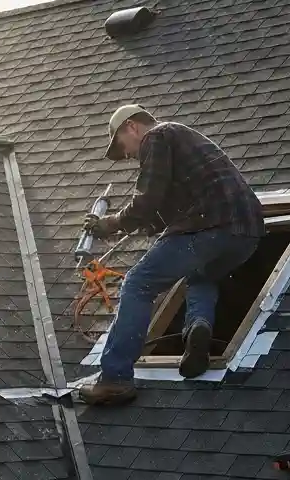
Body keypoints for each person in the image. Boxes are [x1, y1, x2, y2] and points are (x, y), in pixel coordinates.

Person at [76, 104, 264, 406]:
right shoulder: (183, 141)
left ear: (132, 127)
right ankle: (197, 329)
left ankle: (115, 379)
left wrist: (108, 224)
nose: (128, 156)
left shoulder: (157, 136)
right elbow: (161, 213)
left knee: (138, 283)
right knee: (201, 275)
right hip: (247, 233)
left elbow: (147, 199)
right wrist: (135, 225)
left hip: (210, 225)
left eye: (123, 147)